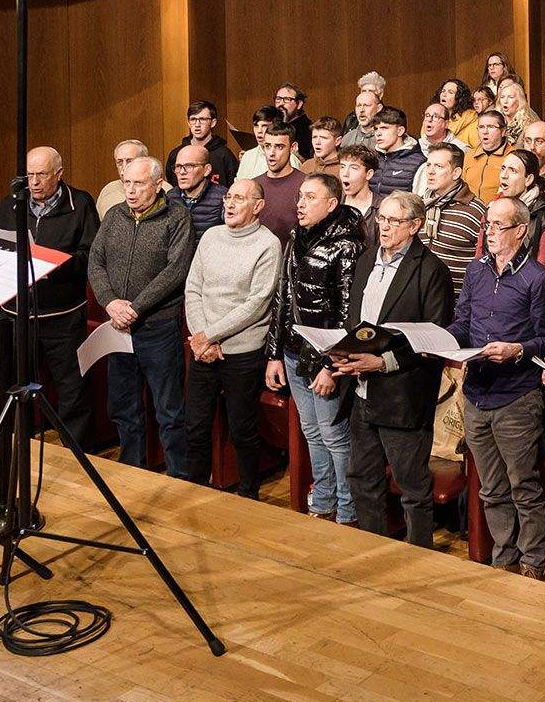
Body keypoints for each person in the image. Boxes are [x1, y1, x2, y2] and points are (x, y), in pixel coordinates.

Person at [331, 190, 457, 544]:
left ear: (415, 225)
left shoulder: (431, 270)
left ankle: (418, 560)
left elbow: (435, 338)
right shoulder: (367, 259)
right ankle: (374, 549)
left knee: (412, 488)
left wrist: (382, 362)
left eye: (394, 221)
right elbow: (357, 321)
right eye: (381, 219)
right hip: (361, 391)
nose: (384, 227)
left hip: (402, 393)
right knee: (361, 478)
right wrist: (344, 352)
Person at [450, 197, 545, 577]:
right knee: (491, 489)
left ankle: (532, 561)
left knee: (523, 486)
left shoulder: (538, 279)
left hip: (516, 396)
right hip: (477, 392)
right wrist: (437, 342)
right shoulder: (475, 271)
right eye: (488, 224)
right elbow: (462, 323)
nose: (490, 231)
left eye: (499, 225)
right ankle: (504, 557)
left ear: (521, 231)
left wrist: (517, 350)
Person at [90, 156, 196, 478]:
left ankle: (179, 478)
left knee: (169, 411)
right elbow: (96, 261)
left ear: (158, 184)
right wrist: (110, 303)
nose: (131, 191)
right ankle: (132, 472)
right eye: (126, 183)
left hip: (158, 327)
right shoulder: (114, 216)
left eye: (138, 183)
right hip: (119, 328)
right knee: (124, 407)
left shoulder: (176, 217)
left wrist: (134, 307)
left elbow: (175, 271)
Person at [270, 175, 364, 522]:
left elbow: (347, 313)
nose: (300, 204)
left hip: (324, 357)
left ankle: (347, 507)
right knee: (310, 430)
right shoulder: (297, 237)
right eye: (300, 197)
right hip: (295, 351)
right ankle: (323, 499)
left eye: (310, 197)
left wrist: (331, 364)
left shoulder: (347, 245)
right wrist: (274, 354)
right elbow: (284, 298)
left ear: (332, 204)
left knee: (334, 434)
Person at [182, 180, 283, 497]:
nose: (230, 203)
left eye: (239, 198)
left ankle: (249, 492)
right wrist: (201, 337)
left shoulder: (268, 245)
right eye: (228, 196)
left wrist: (210, 335)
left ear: (258, 206)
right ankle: (196, 488)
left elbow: (256, 305)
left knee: (242, 429)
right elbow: (193, 288)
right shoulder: (211, 237)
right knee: (196, 425)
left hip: (241, 351)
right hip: (203, 348)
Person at [0, 145, 100, 443]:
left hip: (62, 313)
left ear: (59, 173)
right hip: (17, 312)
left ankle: (76, 448)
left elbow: (89, 255)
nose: (34, 182)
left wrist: (53, 263)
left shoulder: (79, 203)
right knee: (18, 382)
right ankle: (20, 441)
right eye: (29, 174)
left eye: (41, 174)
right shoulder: (10, 205)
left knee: (71, 386)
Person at [414, 143, 486, 291]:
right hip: (418, 299)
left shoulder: (475, 211)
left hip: (456, 302)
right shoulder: (419, 205)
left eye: (439, 166)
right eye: (428, 165)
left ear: (456, 173)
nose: (430, 172)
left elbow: (485, 262)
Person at [249, 124, 303, 243]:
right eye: (267, 146)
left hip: (290, 257)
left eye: (279, 147)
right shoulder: (253, 185)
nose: (271, 153)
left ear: (293, 147)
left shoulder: (305, 184)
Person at [166, 142, 227, 240]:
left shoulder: (223, 198)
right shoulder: (170, 197)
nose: (182, 172)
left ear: (207, 170)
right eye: (178, 166)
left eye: (189, 166)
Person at [162, 99, 229, 178]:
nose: (197, 124)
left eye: (202, 119)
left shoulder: (224, 155)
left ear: (213, 123)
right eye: (193, 119)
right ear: (188, 123)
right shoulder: (176, 154)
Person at [96, 139, 149, 215]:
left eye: (129, 161)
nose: (124, 167)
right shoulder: (108, 190)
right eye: (120, 162)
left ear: (145, 161)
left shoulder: (161, 189)